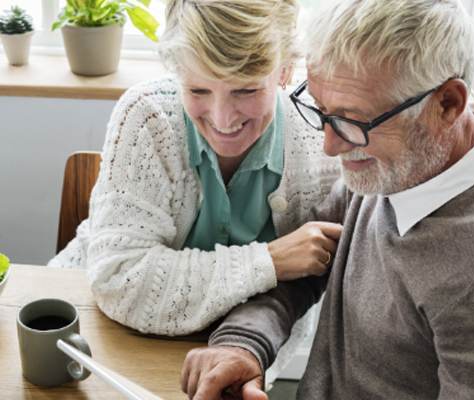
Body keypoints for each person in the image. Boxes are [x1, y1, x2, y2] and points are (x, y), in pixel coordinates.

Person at [180, 0, 474, 398]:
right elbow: (301, 273)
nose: (330, 146)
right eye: (320, 110)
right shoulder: (396, 166)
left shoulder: (469, 273)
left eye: (351, 121)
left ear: (448, 104)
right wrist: (242, 345)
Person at [48, 0, 342, 382]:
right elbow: (119, 280)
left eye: (245, 90)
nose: (222, 120)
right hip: (98, 330)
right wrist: (268, 260)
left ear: (285, 69)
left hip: (238, 352)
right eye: (198, 89)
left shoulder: (324, 143)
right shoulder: (147, 115)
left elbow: (306, 287)